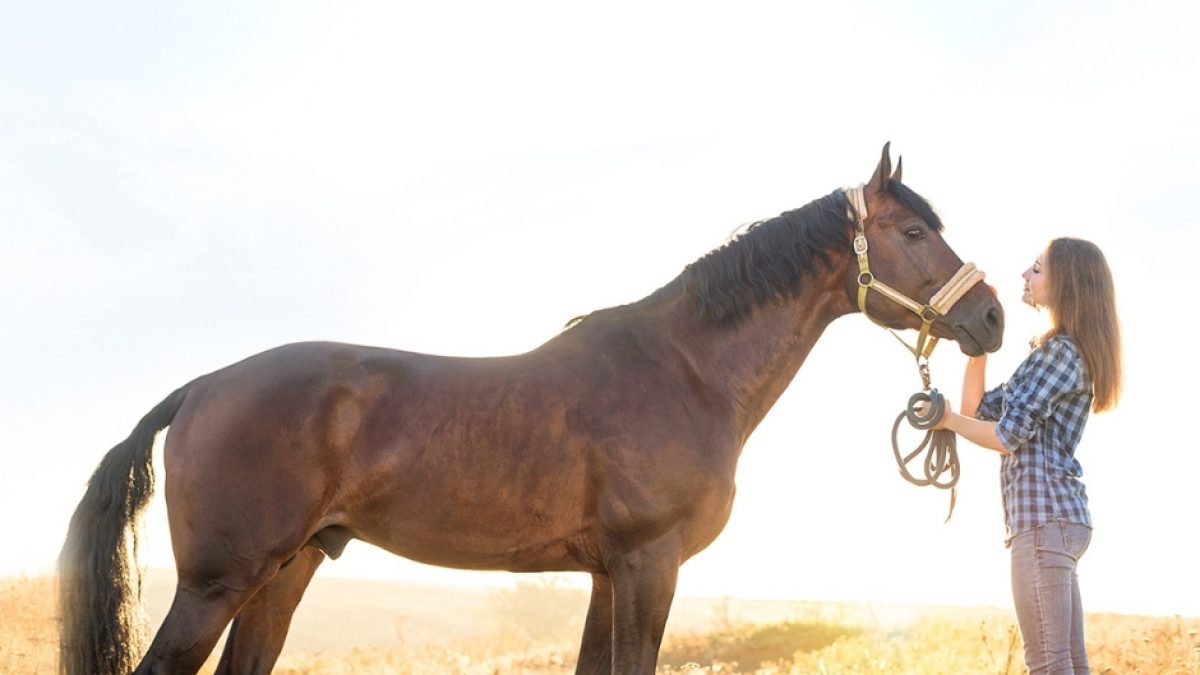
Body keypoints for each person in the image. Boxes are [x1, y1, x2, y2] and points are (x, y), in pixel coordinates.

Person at [933, 237, 1123, 675]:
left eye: (1037, 268)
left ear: (1066, 283)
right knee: (1070, 662)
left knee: (1048, 664)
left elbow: (1005, 436)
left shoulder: (1060, 353)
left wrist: (945, 421)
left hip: (1042, 520)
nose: (1025, 274)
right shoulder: (1055, 354)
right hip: (1056, 519)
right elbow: (978, 412)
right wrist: (975, 349)